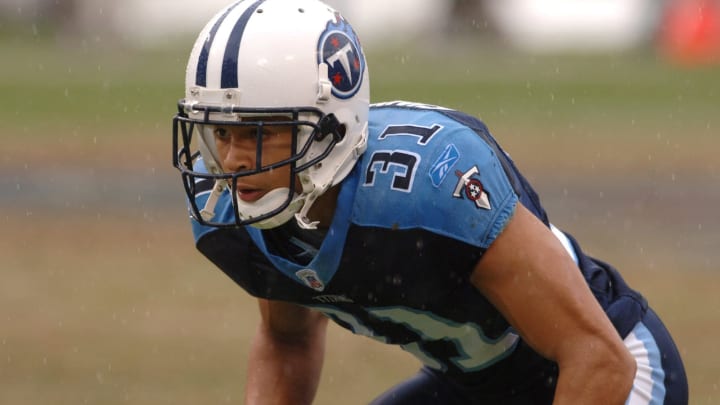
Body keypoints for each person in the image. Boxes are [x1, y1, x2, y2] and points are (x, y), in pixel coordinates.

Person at [171, 1, 688, 404]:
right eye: (221, 132)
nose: (234, 160)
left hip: (611, 365)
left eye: (259, 134)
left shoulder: (432, 185)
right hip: (477, 386)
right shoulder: (244, 212)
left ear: (331, 124)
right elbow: (287, 340)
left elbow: (599, 358)